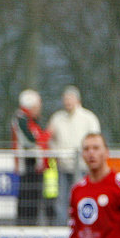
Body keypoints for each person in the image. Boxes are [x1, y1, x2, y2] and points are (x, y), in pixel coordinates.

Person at [47, 86, 101, 220]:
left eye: (70, 99)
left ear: (78, 100)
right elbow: (50, 139)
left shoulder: (88, 118)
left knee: (82, 197)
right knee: (62, 199)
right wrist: (56, 154)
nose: (67, 102)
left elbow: (95, 140)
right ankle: (61, 225)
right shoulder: (57, 118)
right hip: (62, 166)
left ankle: (82, 224)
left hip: (82, 167)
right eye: (65, 99)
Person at [12, 89, 54, 225]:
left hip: (36, 166)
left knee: (35, 198)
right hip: (28, 164)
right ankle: (24, 224)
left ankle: (32, 223)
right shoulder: (21, 120)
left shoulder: (32, 121)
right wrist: (47, 135)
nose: (39, 109)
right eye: (37, 106)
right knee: (27, 197)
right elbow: (30, 141)